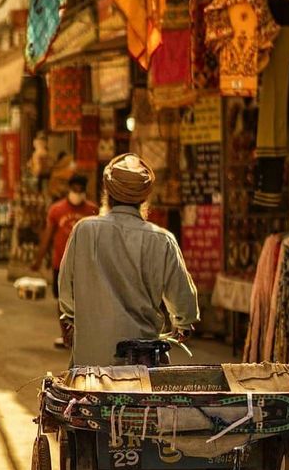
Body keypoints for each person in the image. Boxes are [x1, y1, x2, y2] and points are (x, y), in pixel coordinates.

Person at [58, 153, 199, 367]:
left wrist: (70, 316)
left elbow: (66, 294)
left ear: (107, 193)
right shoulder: (162, 239)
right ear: (144, 198)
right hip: (141, 362)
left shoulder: (84, 231)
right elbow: (183, 302)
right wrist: (183, 323)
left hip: (90, 365)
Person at [32, 173, 98, 348]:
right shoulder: (56, 209)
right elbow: (48, 235)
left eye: (80, 189)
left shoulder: (93, 210)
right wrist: (38, 258)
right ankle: (66, 336)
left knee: (84, 301)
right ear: (69, 189)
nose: (77, 192)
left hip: (86, 265)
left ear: (85, 190)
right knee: (62, 301)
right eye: (74, 189)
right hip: (60, 264)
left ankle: (84, 336)